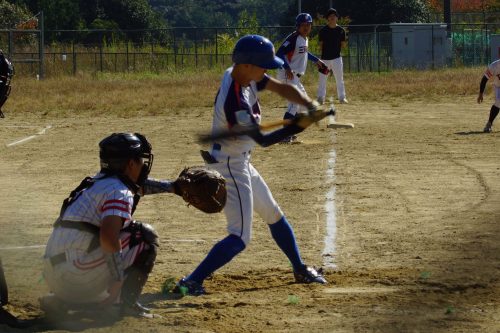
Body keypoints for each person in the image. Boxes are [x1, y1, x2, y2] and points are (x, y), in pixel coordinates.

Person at [175, 34, 327, 296]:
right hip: (230, 167)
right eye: (263, 66)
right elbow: (264, 140)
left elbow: (281, 88)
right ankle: (191, 281)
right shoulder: (235, 101)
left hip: (240, 160)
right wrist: (300, 126)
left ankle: (299, 268)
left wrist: (308, 104)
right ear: (246, 65)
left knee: (273, 214)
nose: (266, 70)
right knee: (240, 236)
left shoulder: (243, 75)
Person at [42, 133, 179, 317]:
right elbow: (108, 238)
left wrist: (174, 187)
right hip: (75, 277)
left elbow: (139, 186)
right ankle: (123, 304)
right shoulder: (119, 191)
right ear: (130, 164)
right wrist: (117, 281)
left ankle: (65, 299)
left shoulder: (96, 183)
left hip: (55, 276)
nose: (143, 166)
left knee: (114, 236)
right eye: (140, 161)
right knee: (143, 236)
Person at [276, 13, 327, 143]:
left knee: (303, 105)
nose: (306, 27)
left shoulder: (304, 39)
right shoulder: (294, 38)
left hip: (295, 77)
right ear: (298, 26)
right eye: (303, 25)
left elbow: (304, 52)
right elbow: (279, 53)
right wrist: (287, 67)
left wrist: (316, 60)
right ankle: (284, 135)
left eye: (308, 25)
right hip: (288, 74)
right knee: (293, 105)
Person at [316, 8, 348, 105]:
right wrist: (323, 57)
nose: (332, 18)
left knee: (339, 79)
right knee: (322, 79)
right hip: (325, 60)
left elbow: (343, 44)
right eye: (330, 16)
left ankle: (342, 98)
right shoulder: (323, 31)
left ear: (337, 18)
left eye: (334, 16)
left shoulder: (341, 30)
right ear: (327, 19)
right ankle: (320, 98)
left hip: (337, 59)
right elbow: (321, 45)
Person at [478, 58, 500, 133]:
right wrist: (481, 94)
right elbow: (484, 79)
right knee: (499, 101)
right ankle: (489, 124)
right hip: (498, 86)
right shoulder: (494, 66)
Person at [0, 49, 14, 118]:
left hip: (3, 81)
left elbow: (10, 72)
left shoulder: (4, 61)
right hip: (4, 81)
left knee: (4, 94)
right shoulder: (4, 60)